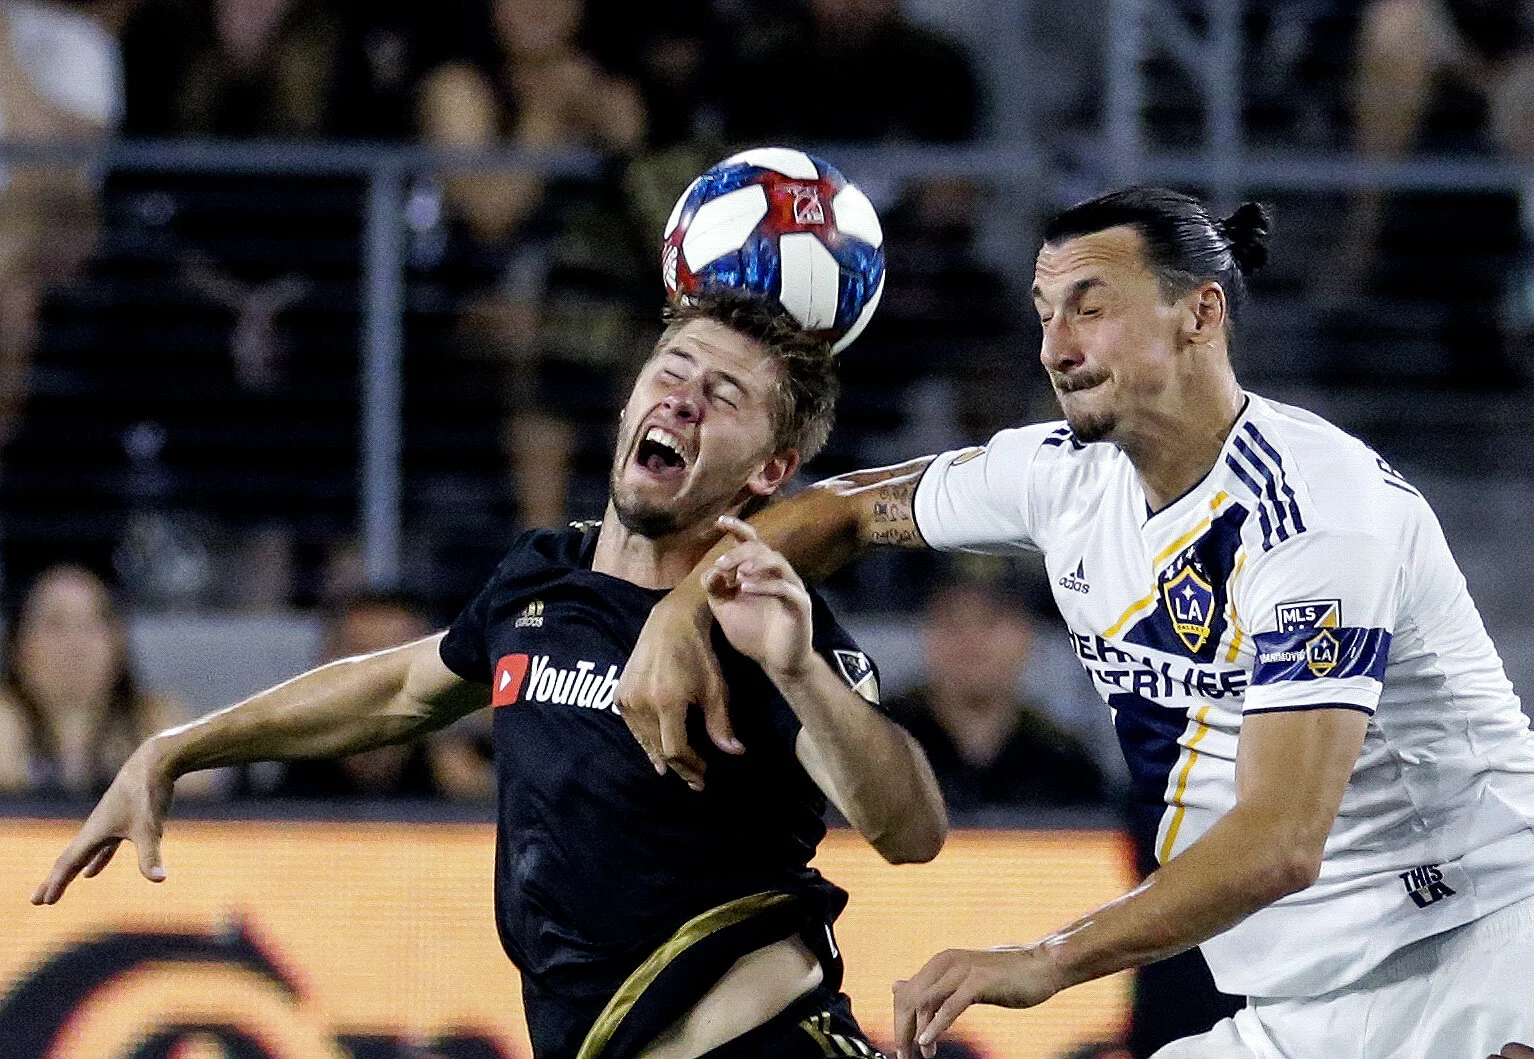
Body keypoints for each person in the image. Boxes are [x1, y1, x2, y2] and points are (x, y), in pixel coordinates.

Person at [617, 187, 1534, 1058]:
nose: (1054, 346)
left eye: (1089, 308)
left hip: (1480, 953)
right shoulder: (1064, 478)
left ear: (1201, 314)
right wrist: (681, 613)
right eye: (1043, 312)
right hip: (1300, 1002)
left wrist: (1044, 960)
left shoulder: (1314, 515)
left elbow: (1282, 839)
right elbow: (848, 510)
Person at [33, 291, 946, 1059]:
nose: (683, 402)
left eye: (725, 395)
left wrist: (799, 669)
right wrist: (176, 748)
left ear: (771, 469)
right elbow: (399, 688)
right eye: (670, 372)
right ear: (629, 401)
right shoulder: (541, 575)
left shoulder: (765, 617)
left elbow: (909, 827)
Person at [886, 574, 1103, 813]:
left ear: (1025, 637)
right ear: (928, 637)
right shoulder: (883, 743)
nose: (972, 641)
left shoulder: (1067, 767)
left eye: (990, 623)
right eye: (952, 623)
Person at [0, 564, 210, 797]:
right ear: (17, 644)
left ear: (117, 641)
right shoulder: (5, 722)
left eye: (91, 624)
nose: (75, 644)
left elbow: (198, 808)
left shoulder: (157, 722)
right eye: (54, 623)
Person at [268, 591, 494, 800]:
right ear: (323, 663)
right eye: (361, 656)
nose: (379, 679)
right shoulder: (276, 762)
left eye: (398, 658)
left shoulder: (462, 763)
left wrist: (475, 795)